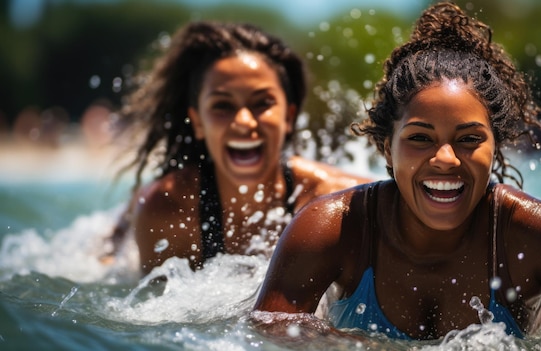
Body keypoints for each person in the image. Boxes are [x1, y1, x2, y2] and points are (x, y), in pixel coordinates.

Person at [253, 2, 541, 343]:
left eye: (468, 139)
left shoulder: (537, 240)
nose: (445, 158)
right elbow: (264, 335)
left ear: (496, 145)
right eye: (420, 137)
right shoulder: (331, 230)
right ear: (386, 146)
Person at [105, 21, 371, 275]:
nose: (243, 122)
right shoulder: (168, 209)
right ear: (198, 122)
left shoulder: (343, 203)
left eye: (261, 103)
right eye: (222, 105)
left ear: (288, 117)